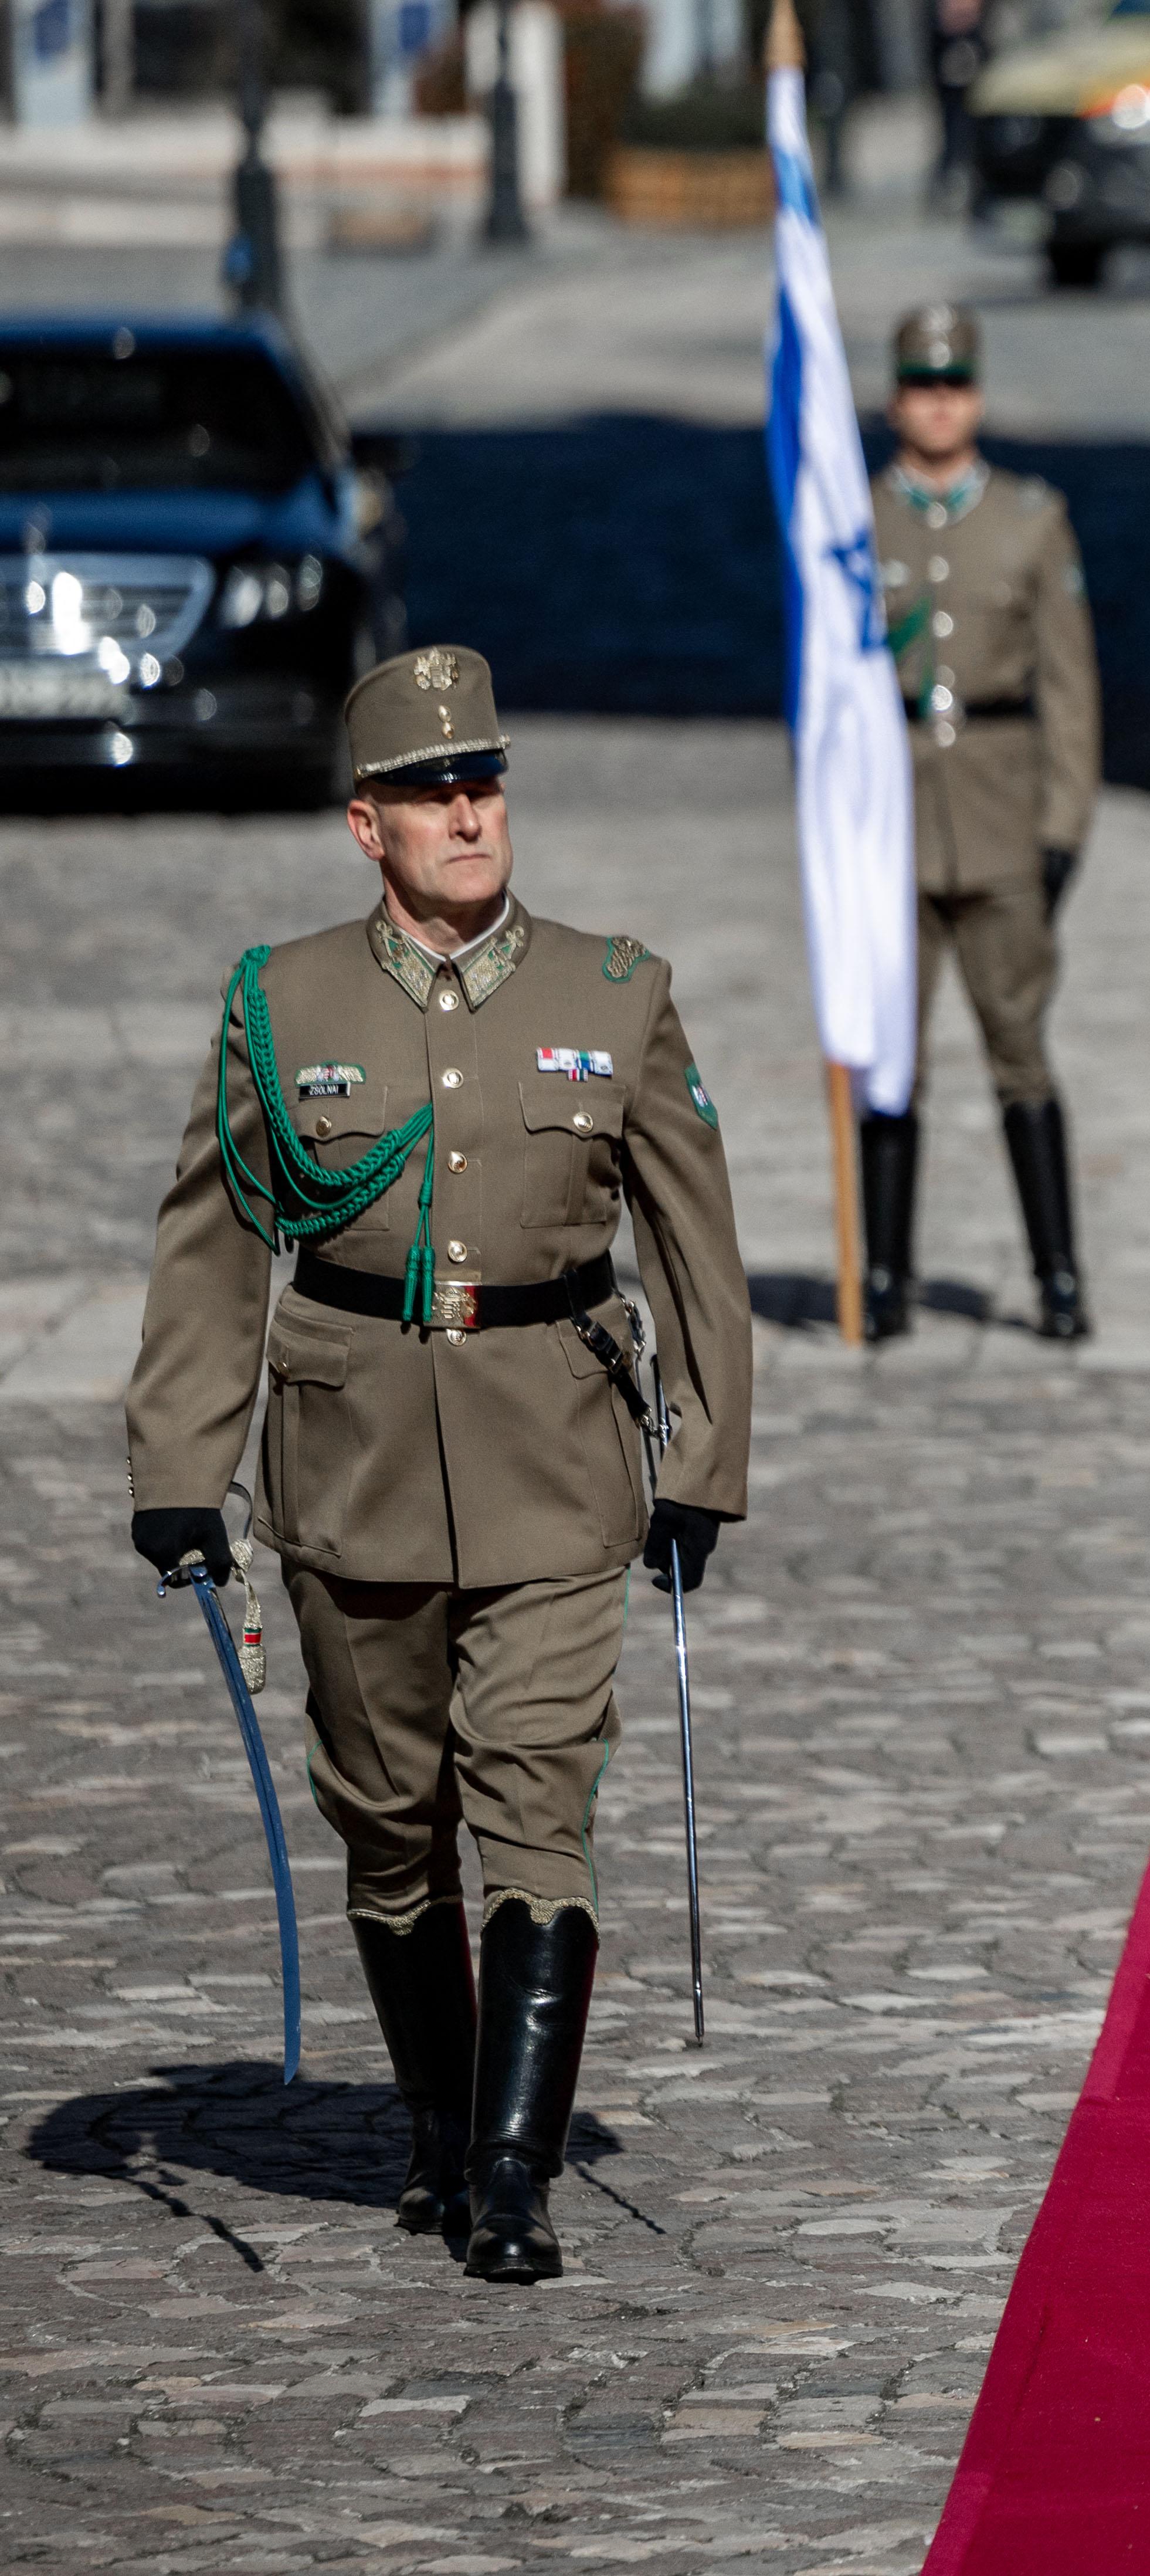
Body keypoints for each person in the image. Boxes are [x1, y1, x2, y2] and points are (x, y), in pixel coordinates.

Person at [124, 649, 751, 2286]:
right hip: (350, 1463)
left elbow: (700, 1250)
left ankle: (510, 2178)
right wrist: (179, 1466)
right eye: (430, 789)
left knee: (537, 1802)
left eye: (484, 780)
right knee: (388, 1819)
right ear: (365, 825)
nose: (469, 809)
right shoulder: (283, 1004)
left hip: (558, 1453)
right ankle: (433, 2120)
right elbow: (212, 1249)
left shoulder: (615, 991)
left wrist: (704, 1462)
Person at [858, 302, 1102, 1346]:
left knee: (1020, 1051)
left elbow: (1070, 686)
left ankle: (1055, 1275)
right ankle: (883, 1274)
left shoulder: (1029, 519)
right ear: (895, 397)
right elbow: (825, 691)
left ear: (979, 396)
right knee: (889, 1061)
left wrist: (1060, 829)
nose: (939, 402)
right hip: (893, 826)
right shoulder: (857, 519)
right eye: (921, 385)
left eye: (954, 384)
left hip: (1002, 822)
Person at [928, 0, 989, 216]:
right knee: (950, 144)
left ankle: (978, 197)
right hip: (950, 95)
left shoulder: (979, 30)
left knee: (975, 146)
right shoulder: (942, 32)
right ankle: (941, 192)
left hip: (974, 96)